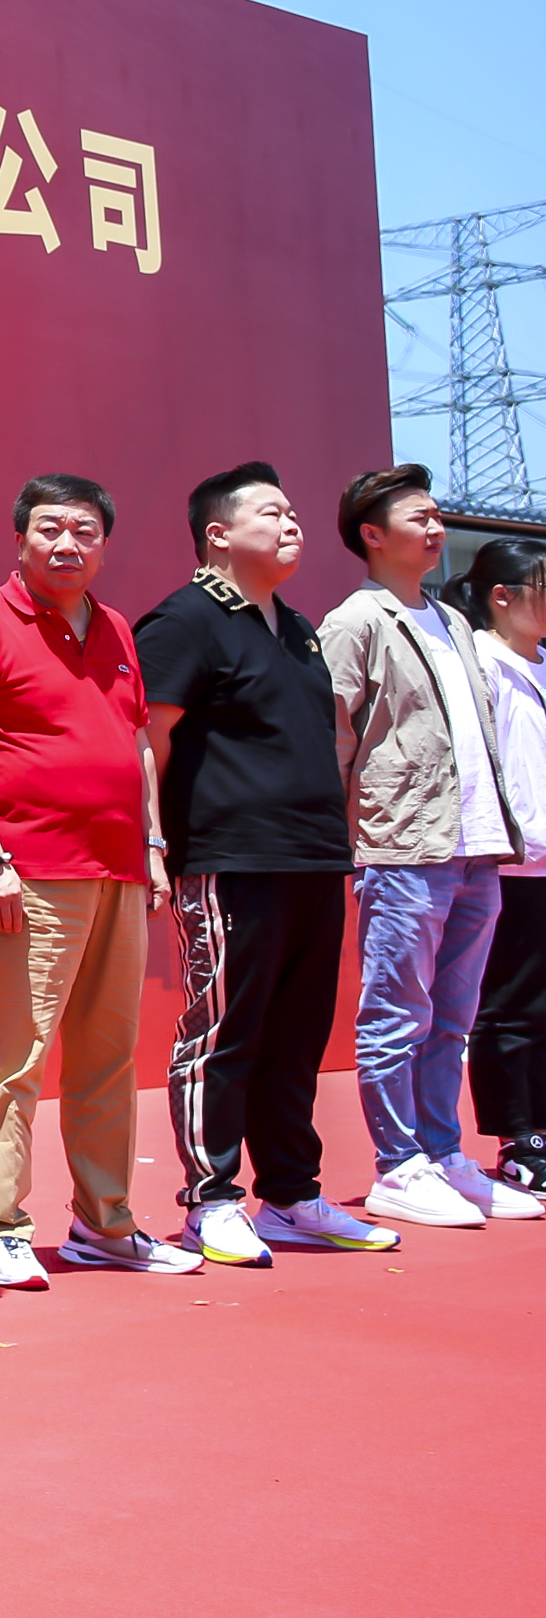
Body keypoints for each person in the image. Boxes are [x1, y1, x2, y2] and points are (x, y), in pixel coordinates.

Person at [0, 475, 201, 1285]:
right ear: (19, 537)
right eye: (49, 528)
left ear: (102, 545)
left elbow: (135, 745)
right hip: (24, 872)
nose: (66, 544)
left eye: (84, 531)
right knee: (11, 1057)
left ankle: (104, 1223)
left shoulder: (115, 626)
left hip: (116, 868)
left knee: (107, 1059)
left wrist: (152, 844)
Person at [136, 462, 394, 1265]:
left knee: (295, 1036)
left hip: (311, 861)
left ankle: (288, 1194)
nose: (292, 524)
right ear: (217, 534)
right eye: (271, 513)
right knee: (222, 1032)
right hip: (229, 859)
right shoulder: (185, 620)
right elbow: (147, 740)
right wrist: (151, 843)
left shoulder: (297, 628)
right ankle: (209, 1199)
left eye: (292, 512)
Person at [324, 464, 525, 1229]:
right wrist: (341, 839)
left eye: (438, 516)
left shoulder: (453, 622)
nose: (436, 529)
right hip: (402, 846)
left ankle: (442, 1152)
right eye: (420, 517)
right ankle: (397, 1163)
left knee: (451, 1017)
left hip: (475, 845)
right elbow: (332, 739)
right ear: (372, 535)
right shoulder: (355, 621)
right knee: (394, 1012)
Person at [459, 535, 546, 1206]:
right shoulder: (480, 664)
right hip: (511, 862)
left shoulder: (541, 663)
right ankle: (519, 1137)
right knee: (511, 1005)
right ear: (501, 596)